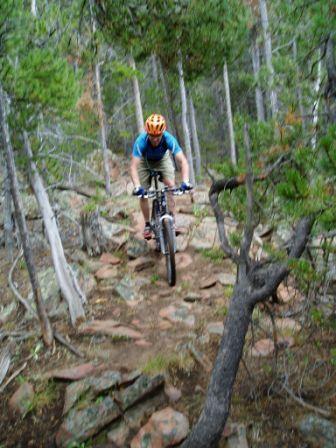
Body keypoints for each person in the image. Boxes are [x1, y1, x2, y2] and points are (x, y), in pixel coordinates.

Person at [130, 113, 193, 239]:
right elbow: (133, 167)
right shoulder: (141, 142)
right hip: (144, 162)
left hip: (162, 160)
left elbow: (183, 161)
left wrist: (186, 181)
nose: (155, 139)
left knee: (171, 186)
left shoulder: (168, 139)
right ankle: (147, 224)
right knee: (143, 193)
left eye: (158, 136)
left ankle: (172, 221)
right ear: (147, 133)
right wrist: (137, 187)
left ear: (162, 133)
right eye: (152, 136)